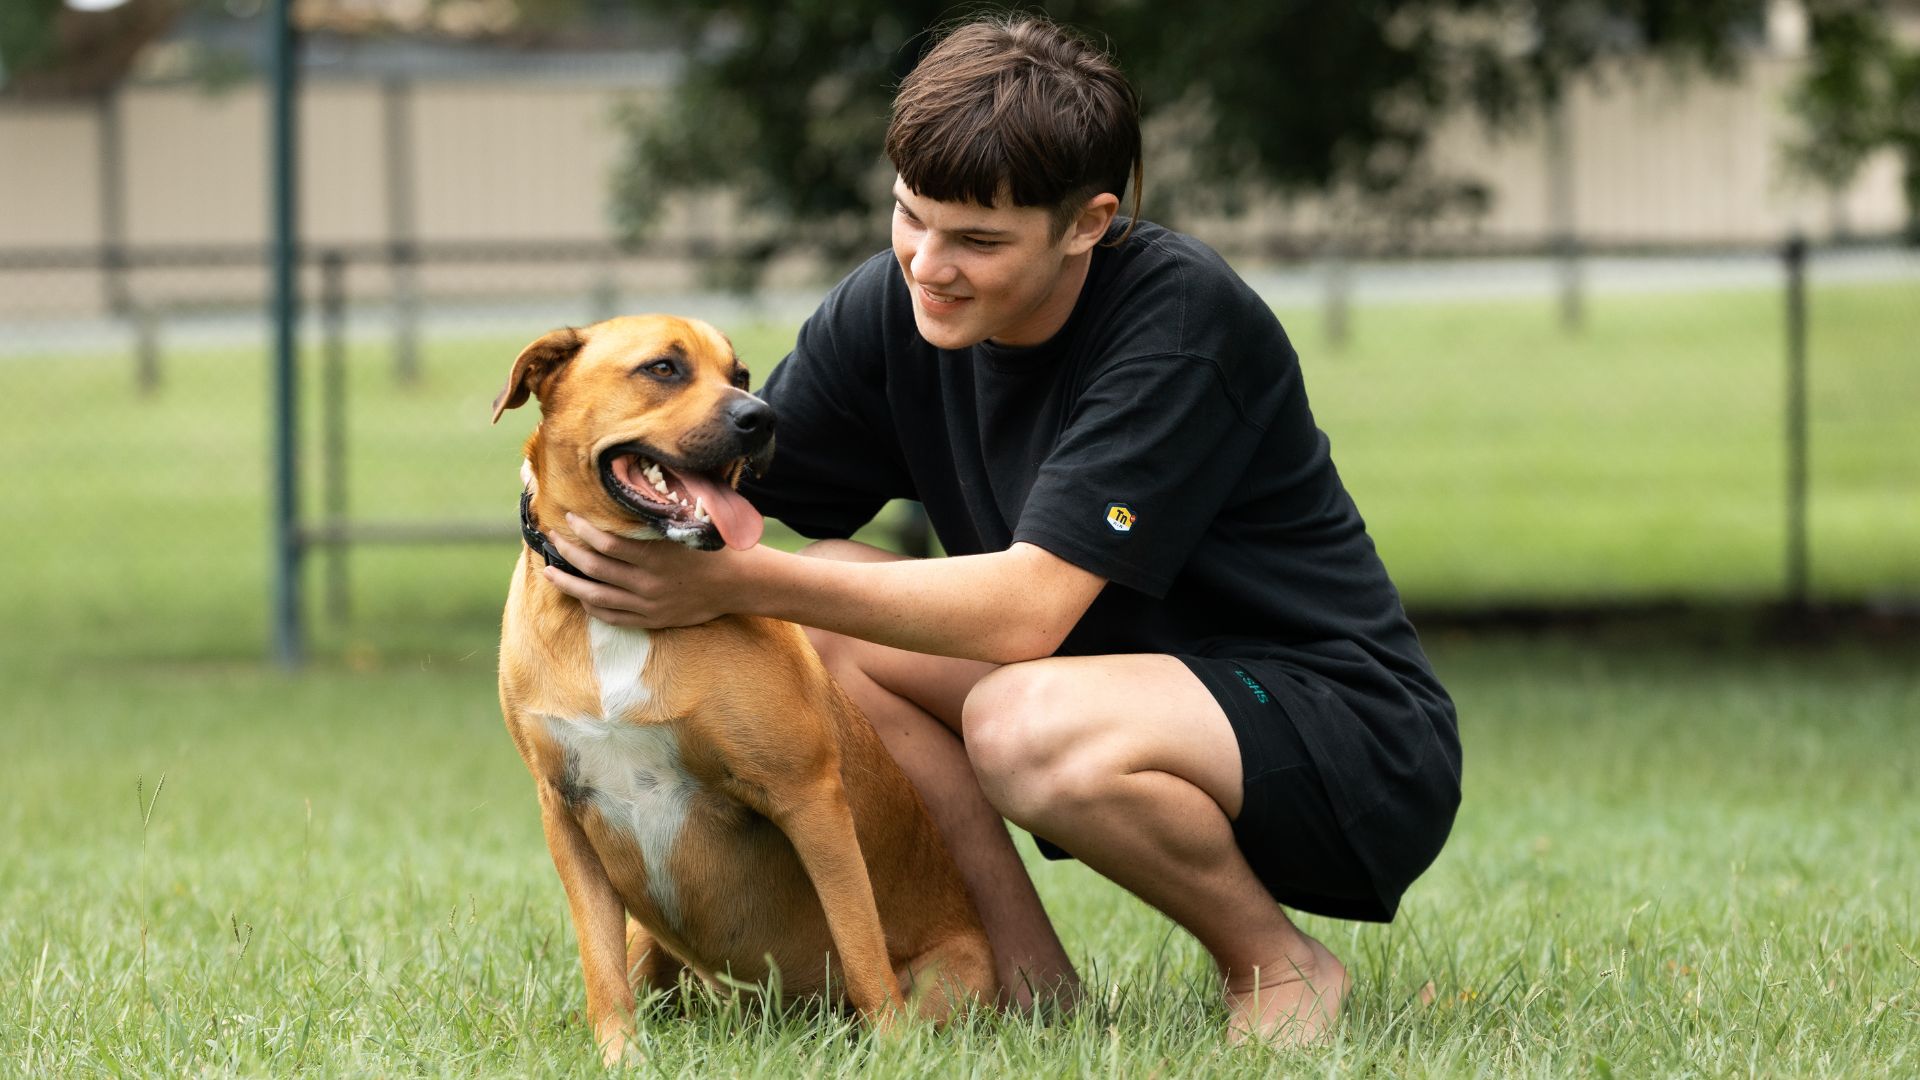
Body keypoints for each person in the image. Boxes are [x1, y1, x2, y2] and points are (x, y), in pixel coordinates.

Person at [542, 13, 1460, 1045]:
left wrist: (741, 583)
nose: (928, 264)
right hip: (1098, 697)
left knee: (1015, 715)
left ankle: (1277, 968)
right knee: (837, 607)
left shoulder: (1179, 322)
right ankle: (1027, 985)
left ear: (1086, 222)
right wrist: (583, 466)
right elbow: (727, 470)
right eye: (909, 216)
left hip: (1338, 735)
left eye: (977, 240)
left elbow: (1027, 611)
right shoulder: (895, 309)